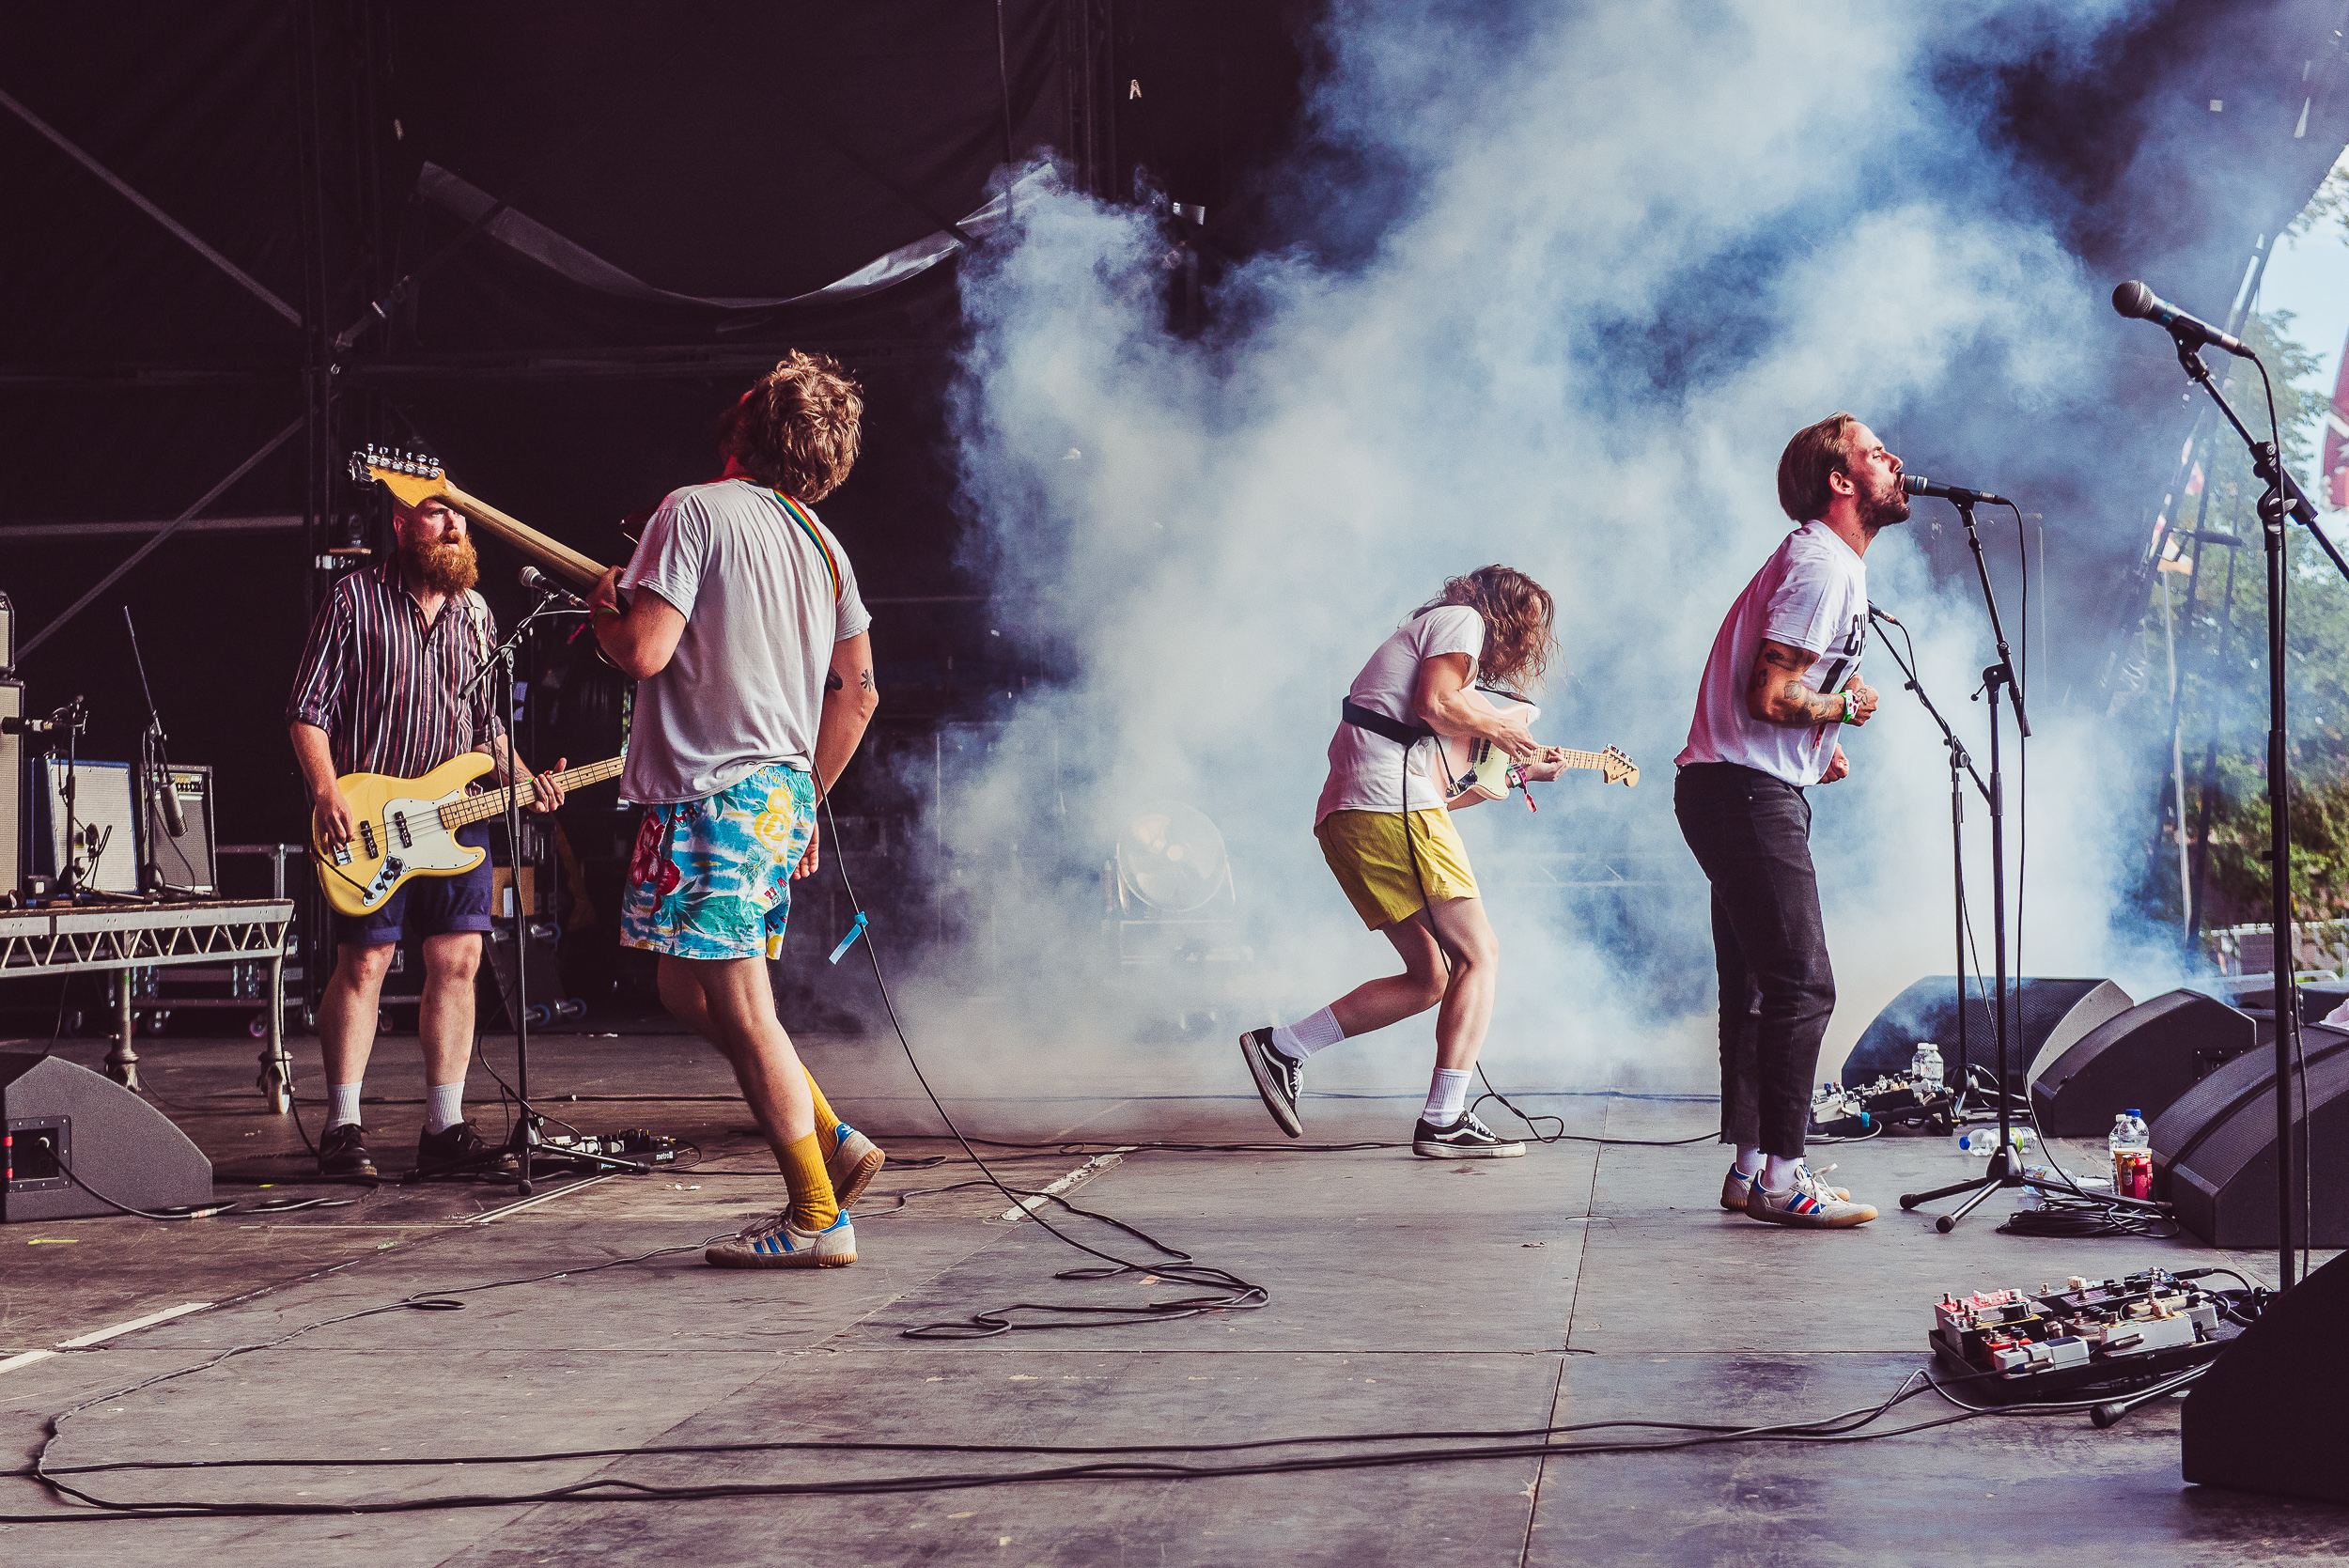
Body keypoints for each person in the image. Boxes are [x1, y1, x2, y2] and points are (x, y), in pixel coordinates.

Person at [589, 350, 884, 1269]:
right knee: (686, 988)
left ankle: (815, 1214)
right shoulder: (821, 544)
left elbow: (643, 650)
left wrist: (604, 609)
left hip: (713, 795)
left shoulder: (693, 511)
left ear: (746, 424)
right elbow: (859, 694)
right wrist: (799, 802)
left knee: (742, 1004)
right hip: (766, 795)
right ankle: (831, 1137)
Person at [1239, 566, 1574, 1157]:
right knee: (1480, 953)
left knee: (1432, 978)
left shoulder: (1435, 658)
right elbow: (1437, 703)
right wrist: (1501, 727)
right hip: (1385, 810)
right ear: (1509, 617)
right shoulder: (1461, 622)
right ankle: (1444, 1120)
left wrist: (1515, 768)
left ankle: (1284, 1047)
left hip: (1353, 817)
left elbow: (1440, 793)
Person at [288, 493, 566, 1181]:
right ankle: (342, 1126)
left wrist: (529, 779)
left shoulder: (477, 615)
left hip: (454, 821)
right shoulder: (355, 600)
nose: (455, 526)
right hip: (371, 816)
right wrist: (326, 791)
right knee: (366, 965)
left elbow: (485, 730)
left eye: (462, 517)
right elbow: (306, 710)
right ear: (403, 522)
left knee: (459, 960)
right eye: (440, 514)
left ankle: (444, 1125)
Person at [1673, 411, 1901, 1229]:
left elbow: (1771, 698)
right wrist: (1841, 706)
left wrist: (1820, 740)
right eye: (1877, 454)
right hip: (1743, 790)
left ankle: (1751, 1170)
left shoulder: (1823, 561)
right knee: (1804, 982)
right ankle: (1782, 1174)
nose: (1895, 461)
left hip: (1733, 784)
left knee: (1762, 988)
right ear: (1842, 482)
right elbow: (1769, 695)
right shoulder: (1824, 563)